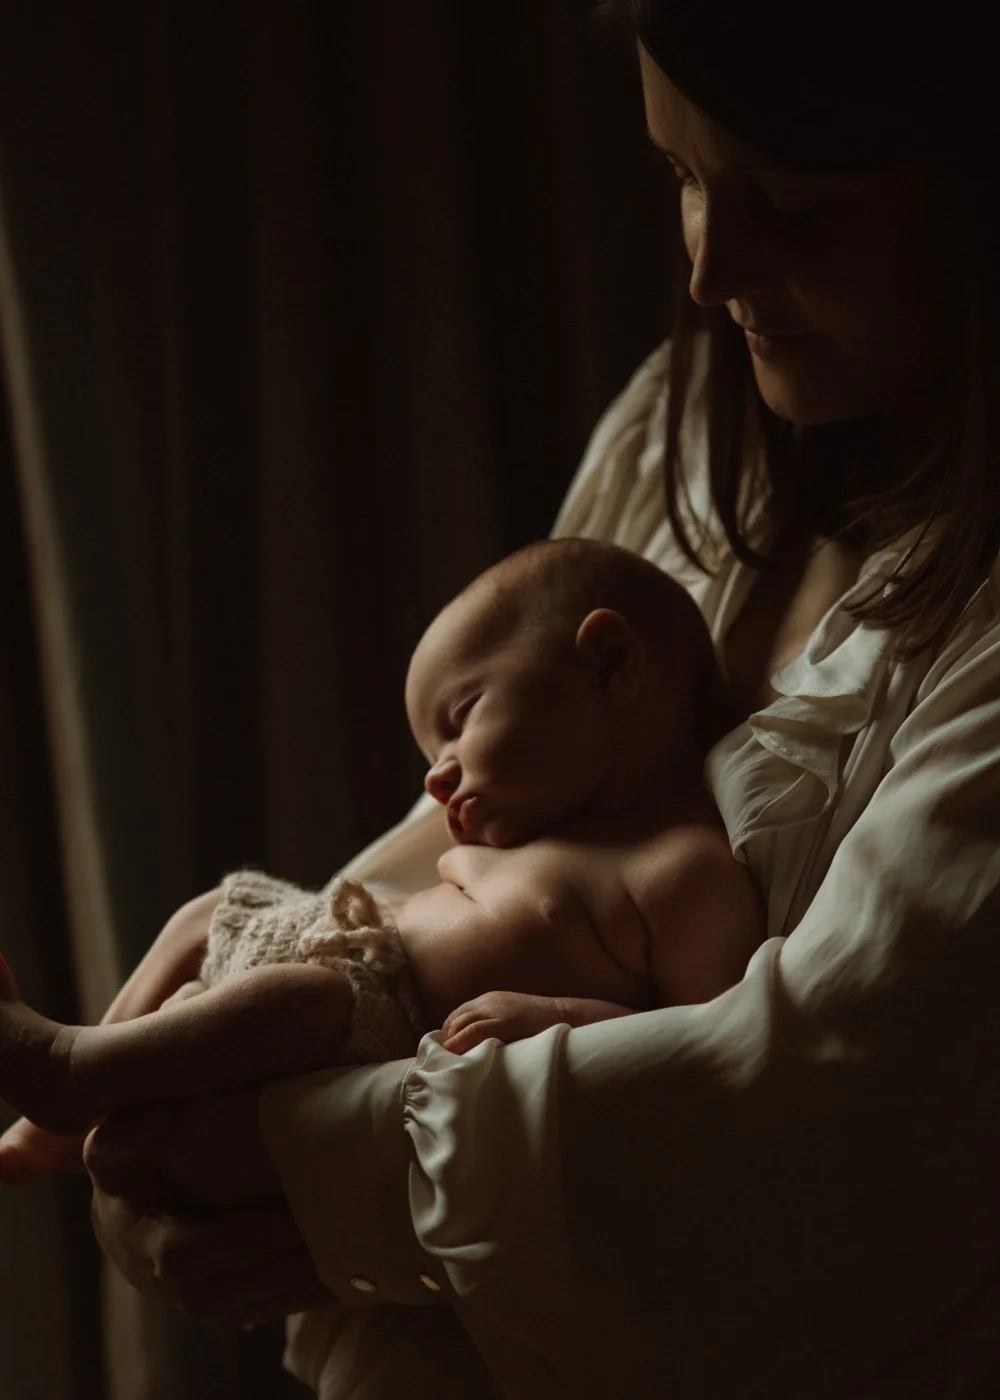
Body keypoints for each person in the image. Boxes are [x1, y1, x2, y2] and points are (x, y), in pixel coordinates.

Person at [5, 0, 1000, 1394]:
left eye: (793, 205)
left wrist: (299, 1163)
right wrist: (175, 1077)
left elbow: (827, 1138)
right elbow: (465, 857)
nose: (712, 269)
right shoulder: (684, 438)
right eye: (681, 178)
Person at [0, 537, 761, 1173]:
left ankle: (73, 1071)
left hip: (378, 1024)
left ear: (608, 664)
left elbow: (704, 1048)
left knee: (297, 1003)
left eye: (460, 719)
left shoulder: (683, 869)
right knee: (211, 913)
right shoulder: (550, 826)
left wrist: (561, 1019)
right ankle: (71, 1113)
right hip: (339, 940)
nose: (437, 774)